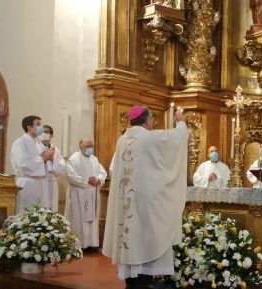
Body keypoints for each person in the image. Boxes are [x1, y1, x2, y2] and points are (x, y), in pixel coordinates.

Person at [103, 106, 188, 289]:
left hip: (126, 204)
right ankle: (142, 282)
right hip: (144, 204)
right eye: (151, 118)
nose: (152, 122)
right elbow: (176, 138)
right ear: (146, 120)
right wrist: (180, 121)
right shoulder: (148, 138)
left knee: (130, 240)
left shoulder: (122, 140)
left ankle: (131, 282)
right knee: (144, 241)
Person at [10, 116, 59, 212]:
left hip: (38, 184)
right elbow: (22, 164)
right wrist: (43, 158)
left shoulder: (36, 144)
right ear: (29, 127)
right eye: (38, 124)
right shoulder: (20, 142)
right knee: (25, 214)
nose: (41, 128)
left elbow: (39, 162)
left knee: (36, 216)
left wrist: (47, 158)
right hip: (26, 184)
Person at [66, 138, 107, 250]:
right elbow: (70, 175)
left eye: (91, 146)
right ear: (80, 147)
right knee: (79, 219)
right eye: (87, 146)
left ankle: (91, 244)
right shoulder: (74, 159)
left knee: (92, 220)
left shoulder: (94, 159)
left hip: (92, 193)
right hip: (79, 194)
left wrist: (98, 179)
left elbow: (103, 172)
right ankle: (78, 245)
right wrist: (86, 180)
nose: (90, 149)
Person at [37, 125, 67, 209]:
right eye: (42, 132)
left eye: (46, 132)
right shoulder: (35, 148)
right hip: (40, 182)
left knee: (52, 208)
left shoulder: (56, 150)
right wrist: (44, 159)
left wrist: (53, 160)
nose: (44, 134)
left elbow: (62, 167)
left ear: (51, 135)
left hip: (53, 182)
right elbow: (31, 165)